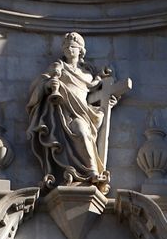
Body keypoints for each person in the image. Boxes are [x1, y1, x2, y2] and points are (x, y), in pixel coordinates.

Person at [26, 32, 119, 190]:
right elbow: (39, 83)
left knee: (83, 133)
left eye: (73, 47)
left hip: (83, 113)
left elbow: (92, 86)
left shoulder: (87, 73)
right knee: (76, 134)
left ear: (80, 50)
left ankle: (92, 172)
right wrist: (49, 85)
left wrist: (104, 89)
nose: (69, 49)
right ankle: (83, 172)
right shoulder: (58, 67)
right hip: (63, 113)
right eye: (66, 46)